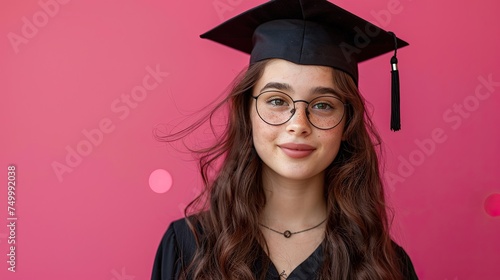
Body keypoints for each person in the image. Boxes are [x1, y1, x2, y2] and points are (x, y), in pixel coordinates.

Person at [152, 0, 418, 279]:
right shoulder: (186, 248)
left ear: (347, 122)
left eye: (323, 105)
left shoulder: (385, 266)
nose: (298, 125)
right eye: (277, 100)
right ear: (247, 112)